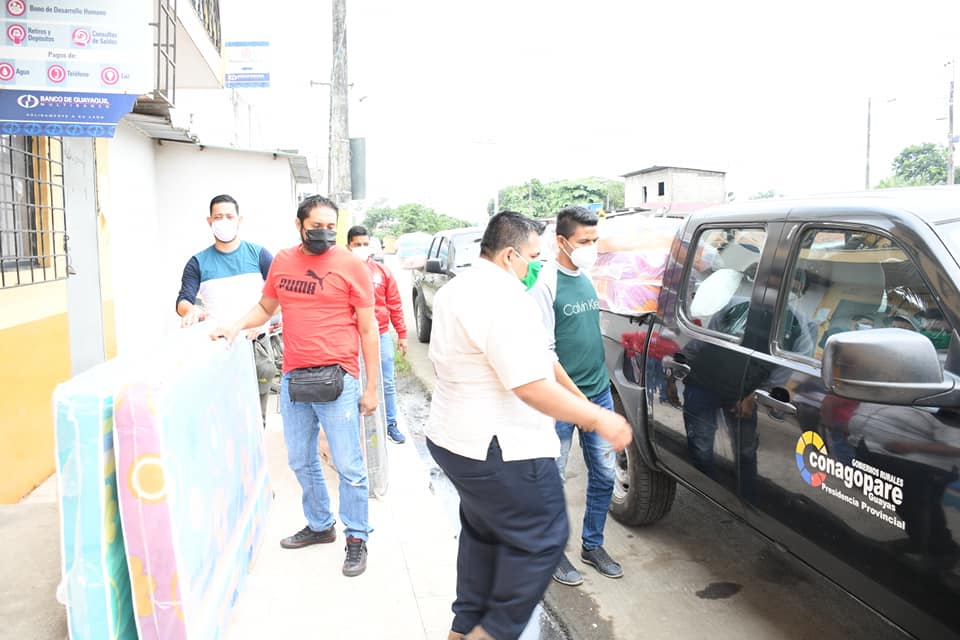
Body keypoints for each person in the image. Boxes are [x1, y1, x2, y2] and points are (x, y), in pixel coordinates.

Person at [426, 211, 632, 640]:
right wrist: (598, 417)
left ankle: (463, 628)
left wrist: (581, 401)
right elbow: (530, 386)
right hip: (500, 446)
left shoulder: (457, 288)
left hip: (454, 440)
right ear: (509, 255)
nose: (537, 264)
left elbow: (543, 356)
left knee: (483, 537)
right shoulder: (503, 298)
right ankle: (489, 633)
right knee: (544, 538)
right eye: (534, 256)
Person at [211, 194, 380, 578]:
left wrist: (371, 388)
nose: (324, 233)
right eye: (316, 226)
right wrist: (235, 326)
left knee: (349, 466)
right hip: (294, 378)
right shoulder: (283, 262)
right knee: (300, 460)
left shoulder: (351, 265)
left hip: (339, 378)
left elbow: (368, 328)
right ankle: (320, 525)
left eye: (330, 227)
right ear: (299, 225)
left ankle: (357, 536)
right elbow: (266, 307)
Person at [528, 205, 623, 587]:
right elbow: (546, 353)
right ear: (562, 241)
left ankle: (592, 545)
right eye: (584, 241)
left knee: (604, 474)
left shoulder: (585, 276)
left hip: (598, 393)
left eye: (594, 240)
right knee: (553, 481)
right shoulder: (545, 284)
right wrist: (577, 400)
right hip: (561, 403)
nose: (591, 248)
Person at [176, 194, 275, 426]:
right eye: (218, 217)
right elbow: (183, 300)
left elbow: (279, 297)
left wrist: (262, 322)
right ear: (209, 221)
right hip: (219, 347)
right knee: (222, 419)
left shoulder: (260, 255)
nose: (224, 221)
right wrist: (190, 310)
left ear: (240, 220)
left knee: (254, 419)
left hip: (255, 345)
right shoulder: (197, 262)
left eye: (229, 216)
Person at [347, 225, 408, 444]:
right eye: (357, 244)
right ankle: (355, 427)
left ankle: (390, 424)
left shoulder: (382, 272)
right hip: (351, 335)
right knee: (352, 382)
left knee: (387, 382)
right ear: (349, 246)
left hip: (380, 334)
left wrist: (402, 334)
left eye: (365, 244)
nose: (362, 248)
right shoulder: (343, 271)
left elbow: (394, 304)